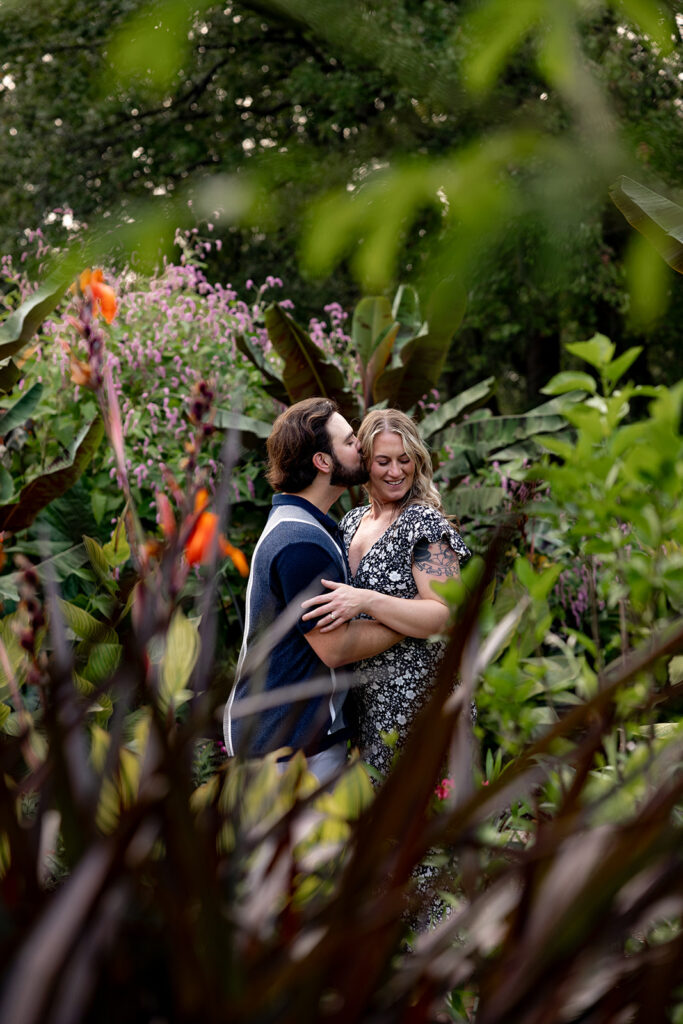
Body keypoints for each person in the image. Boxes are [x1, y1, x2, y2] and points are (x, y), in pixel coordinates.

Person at [223, 397, 403, 786]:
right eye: (351, 441)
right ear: (323, 462)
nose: (362, 447)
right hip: (288, 755)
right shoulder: (300, 542)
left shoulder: (303, 524)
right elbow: (335, 646)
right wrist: (411, 621)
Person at [301, 408, 470, 781]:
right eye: (383, 461)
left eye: (404, 460)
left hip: (422, 706)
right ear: (365, 463)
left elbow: (447, 615)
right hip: (367, 709)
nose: (396, 472)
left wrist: (366, 601)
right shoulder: (350, 523)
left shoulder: (423, 524)